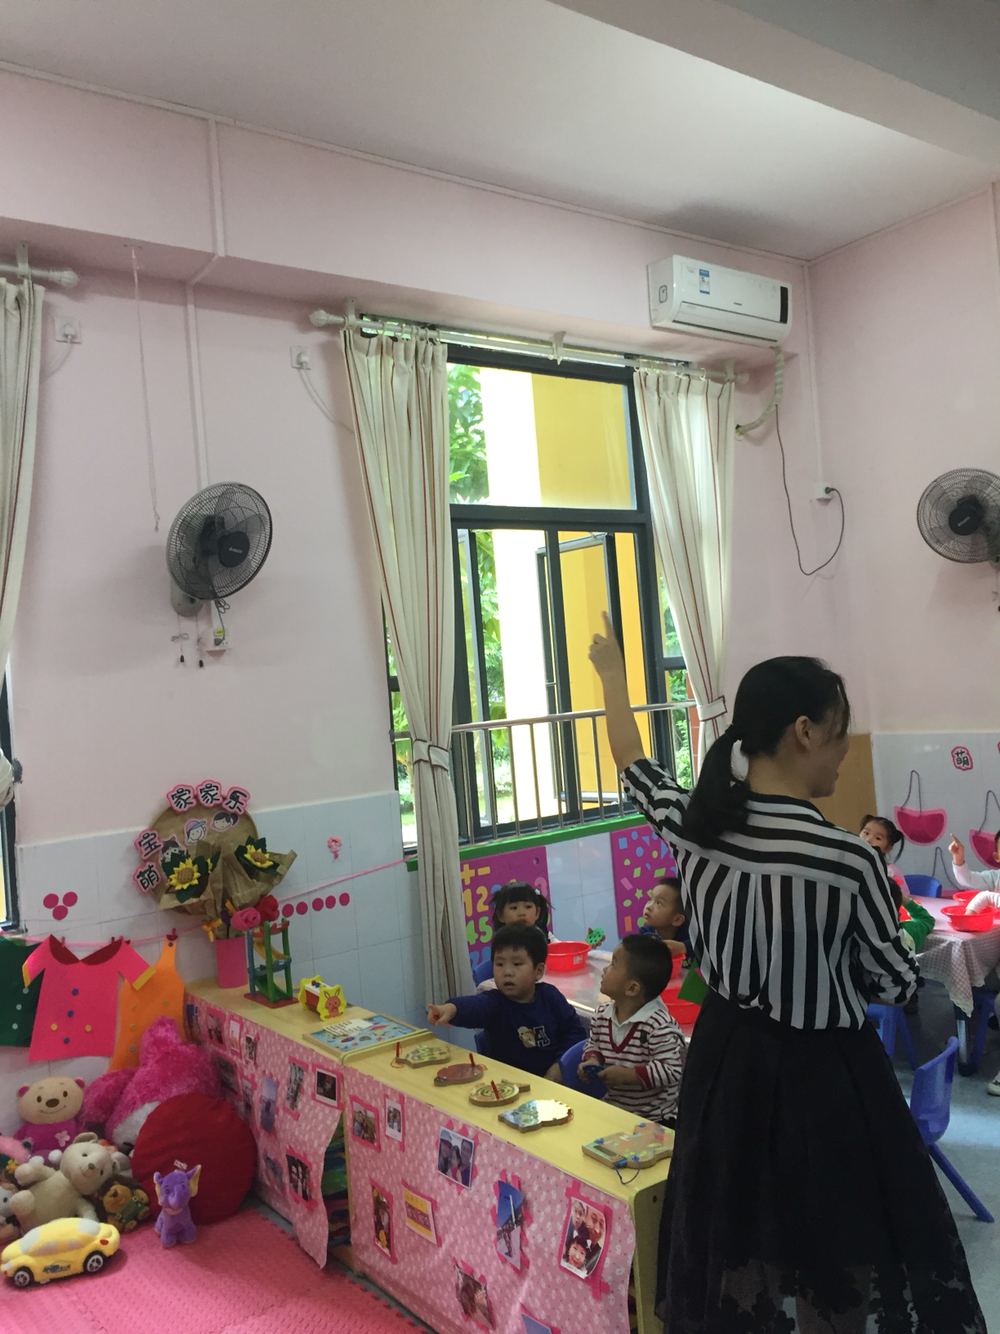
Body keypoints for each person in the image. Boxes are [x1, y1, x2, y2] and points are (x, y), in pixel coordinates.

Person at [589, 612, 984, 1333]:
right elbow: (894, 983)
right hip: (824, 1075)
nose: (843, 750)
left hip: (724, 1065)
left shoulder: (696, 822)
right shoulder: (849, 858)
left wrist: (613, 674)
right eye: (839, 732)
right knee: (838, 1245)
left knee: (737, 1233)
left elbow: (630, 759)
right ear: (804, 731)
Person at [426, 923, 585, 1080]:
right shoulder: (494, 1003)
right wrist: (451, 1008)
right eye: (500, 964)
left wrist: (557, 1069)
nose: (507, 972)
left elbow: (575, 1032)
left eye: (517, 964)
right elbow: (473, 1006)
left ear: (538, 971)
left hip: (552, 1083)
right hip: (507, 1085)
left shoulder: (550, 997)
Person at [578, 934, 685, 1125]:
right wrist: (592, 1059)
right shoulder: (602, 1014)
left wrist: (629, 1075)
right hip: (615, 1111)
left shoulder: (658, 1024)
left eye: (613, 965)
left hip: (655, 1119)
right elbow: (593, 1044)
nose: (605, 969)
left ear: (632, 988)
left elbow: (671, 1069)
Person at [638, 875, 688, 959]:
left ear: (677, 919)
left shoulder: (690, 937)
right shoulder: (644, 935)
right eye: (650, 899)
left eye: (659, 903)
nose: (648, 906)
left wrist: (683, 947)